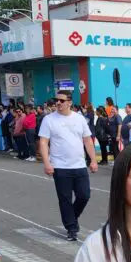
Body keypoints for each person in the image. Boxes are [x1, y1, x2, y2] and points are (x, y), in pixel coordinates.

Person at [39, 91, 99, 242]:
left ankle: (71, 217)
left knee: (84, 195)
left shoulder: (79, 119)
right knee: (64, 199)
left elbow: (87, 140)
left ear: (70, 103)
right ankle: (72, 228)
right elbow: (43, 142)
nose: (58, 103)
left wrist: (93, 160)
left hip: (79, 165)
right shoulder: (49, 120)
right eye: (56, 100)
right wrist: (47, 163)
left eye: (61, 100)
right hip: (60, 166)